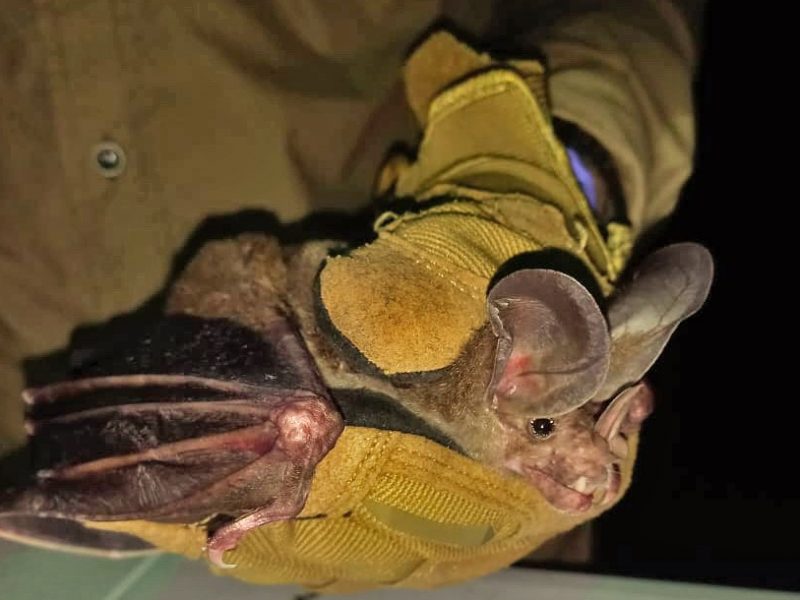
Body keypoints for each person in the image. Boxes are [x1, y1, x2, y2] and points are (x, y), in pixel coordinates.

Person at [0, 0, 701, 468]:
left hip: (356, 419)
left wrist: (554, 171)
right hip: (50, 449)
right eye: (549, 426)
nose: (591, 470)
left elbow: (627, 13)